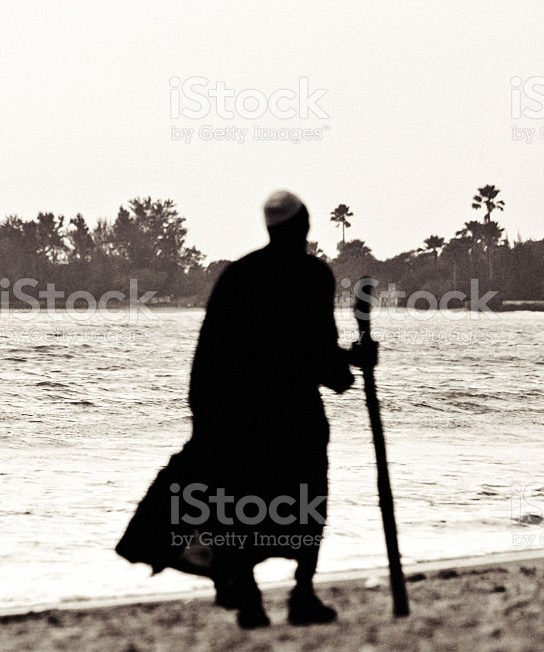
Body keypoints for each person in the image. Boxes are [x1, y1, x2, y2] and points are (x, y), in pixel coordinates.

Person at [116, 190, 377, 629]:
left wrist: (207, 419)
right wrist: (351, 366)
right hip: (290, 414)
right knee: (306, 497)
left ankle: (251, 599)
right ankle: (302, 593)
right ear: (304, 227)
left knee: (238, 505)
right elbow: (317, 353)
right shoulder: (312, 275)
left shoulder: (239, 275)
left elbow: (212, 353)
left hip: (236, 414)